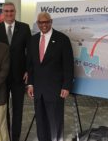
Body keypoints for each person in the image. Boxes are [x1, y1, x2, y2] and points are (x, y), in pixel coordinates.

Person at [27, 12, 74, 141]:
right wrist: (30, 84)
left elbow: (68, 65)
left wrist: (66, 86)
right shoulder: (33, 40)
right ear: (38, 24)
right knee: (41, 123)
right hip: (38, 90)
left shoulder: (62, 39)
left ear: (51, 22)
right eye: (41, 22)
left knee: (55, 123)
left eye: (46, 22)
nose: (44, 25)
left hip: (56, 90)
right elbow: (30, 65)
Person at [0, 2, 31, 141]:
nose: (9, 14)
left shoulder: (24, 28)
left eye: (11, 11)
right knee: (3, 109)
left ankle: (15, 137)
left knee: (18, 110)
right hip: (1, 77)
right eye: (6, 11)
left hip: (19, 76)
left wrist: (28, 70)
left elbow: (30, 52)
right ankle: (5, 137)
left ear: (15, 12)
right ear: (2, 13)